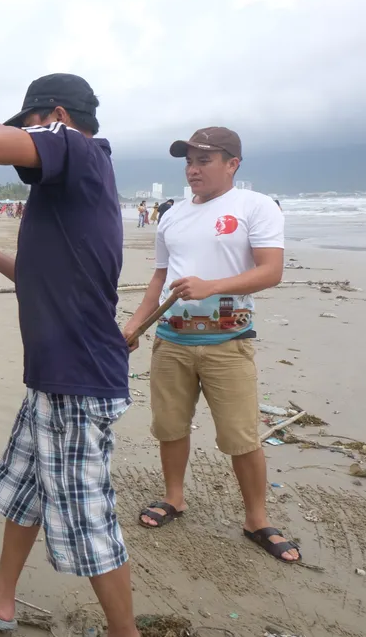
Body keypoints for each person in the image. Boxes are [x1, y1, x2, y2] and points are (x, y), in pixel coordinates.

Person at [0, 73, 138, 635]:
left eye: (30, 125)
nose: (26, 138)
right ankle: (0, 594)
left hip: (78, 379)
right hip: (54, 375)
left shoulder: (80, 149)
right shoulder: (66, 190)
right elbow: (37, 279)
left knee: (87, 517)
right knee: (26, 487)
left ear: (57, 118)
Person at [122, 127, 297, 562]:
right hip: (171, 341)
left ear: (232, 163)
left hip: (228, 342)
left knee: (241, 435)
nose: (193, 169)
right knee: (170, 427)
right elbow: (161, 278)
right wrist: (137, 323)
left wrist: (210, 286)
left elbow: (271, 270)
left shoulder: (255, 207)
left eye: (204, 160)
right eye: (189, 161)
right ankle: (175, 498)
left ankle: (256, 518)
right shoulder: (173, 214)